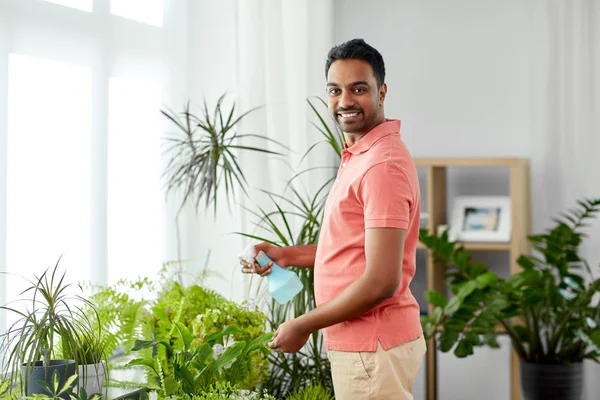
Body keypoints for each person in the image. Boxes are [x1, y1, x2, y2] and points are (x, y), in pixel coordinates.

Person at [240, 38, 426, 400]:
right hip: (368, 345)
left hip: (372, 347)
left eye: (358, 89)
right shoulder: (362, 154)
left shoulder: (381, 166)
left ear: (381, 91)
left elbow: (381, 281)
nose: (344, 102)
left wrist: (302, 324)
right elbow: (352, 247)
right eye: (335, 90)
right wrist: (286, 256)